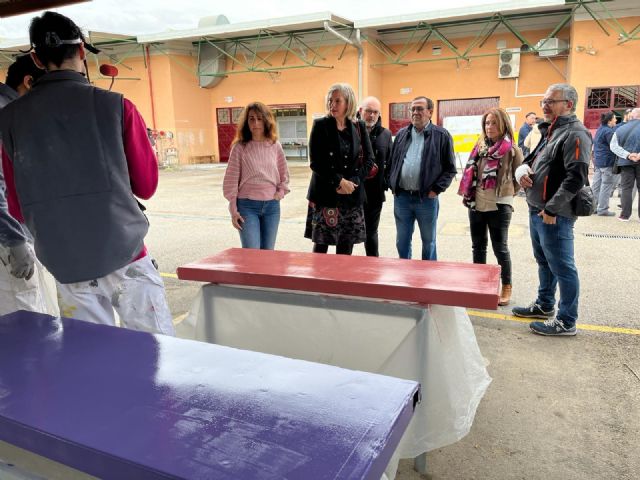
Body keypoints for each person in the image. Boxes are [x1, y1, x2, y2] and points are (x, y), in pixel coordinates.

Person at [0, 11, 174, 335]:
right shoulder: (117, 106)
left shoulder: (9, 120)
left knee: (91, 364)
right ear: (81, 51)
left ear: (36, 59)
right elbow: (146, 186)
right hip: (128, 256)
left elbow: (16, 208)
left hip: (67, 265)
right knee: (159, 357)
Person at [513, 83, 591, 336]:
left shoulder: (576, 134)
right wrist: (523, 173)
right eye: (543, 102)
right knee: (544, 261)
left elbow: (575, 177)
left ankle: (566, 320)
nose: (544, 106)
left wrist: (552, 210)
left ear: (568, 104)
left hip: (554, 214)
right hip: (538, 208)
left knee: (562, 266)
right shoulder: (551, 131)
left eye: (551, 102)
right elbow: (532, 160)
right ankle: (544, 304)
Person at [0, 54, 56, 316]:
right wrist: (15, 240)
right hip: (8, 241)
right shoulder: (6, 115)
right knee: (25, 316)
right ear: (28, 82)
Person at [458, 108, 523, 306]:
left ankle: (506, 286)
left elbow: (519, 177)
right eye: (487, 123)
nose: (489, 127)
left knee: (500, 248)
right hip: (477, 202)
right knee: (478, 246)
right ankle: (479, 286)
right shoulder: (479, 147)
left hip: (499, 204)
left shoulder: (511, 149)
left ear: (503, 124)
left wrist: (506, 193)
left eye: (494, 123)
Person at [304, 83, 374, 255]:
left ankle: (341, 280)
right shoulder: (320, 125)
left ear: (348, 103)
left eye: (337, 101)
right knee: (321, 246)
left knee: (346, 246)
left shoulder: (359, 127)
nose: (332, 105)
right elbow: (316, 162)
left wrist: (353, 183)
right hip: (326, 195)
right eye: (330, 100)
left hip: (351, 196)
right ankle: (319, 281)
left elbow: (369, 160)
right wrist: (339, 182)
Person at [387, 96, 456, 260]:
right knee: (401, 241)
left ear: (430, 112)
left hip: (426, 199)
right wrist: (392, 184)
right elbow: (392, 163)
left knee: (428, 242)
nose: (415, 112)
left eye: (420, 109)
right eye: (413, 109)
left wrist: (436, 189)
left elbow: (450, 168)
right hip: (402, 198)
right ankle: (406, 274)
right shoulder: (402, 134)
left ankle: (428, 278)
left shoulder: (442, 136)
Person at [222, 102, 290, 249]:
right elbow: (231, 180)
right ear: (246, 122)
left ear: (266, 120)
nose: (255, 123)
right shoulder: (240, 147)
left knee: (267, 254)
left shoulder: (274, 145)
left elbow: (284, 173)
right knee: (251, 255)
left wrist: (280, 192)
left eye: (259, 118)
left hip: (272, 206)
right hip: (247, 207)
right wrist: (233, 210)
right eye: (251, 119)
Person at [358, 96, 392, 257]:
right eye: (368, 111)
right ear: (360, 111)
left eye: (375, 112)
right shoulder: (349, 130)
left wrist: (384, 182)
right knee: (348, 233)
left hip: (375, 194)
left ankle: (373, 265)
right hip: (352, 191)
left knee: (371, 233)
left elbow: (391, 162)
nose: (371, 115)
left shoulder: (386, 134)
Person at [609, 107, 640, 222]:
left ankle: (625, 215)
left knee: (626, 188)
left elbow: (613, 146)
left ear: (631, 116)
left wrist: (628, 155)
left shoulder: (620, 129)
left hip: (626, 162)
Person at [591, 111, 618, 216]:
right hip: (607, 162)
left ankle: (593, 207)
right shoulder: (608, 132)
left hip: (598, 161)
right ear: (609, 120)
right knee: (606, 185)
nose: (616, 120)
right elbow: (614, 146)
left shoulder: (600, 129)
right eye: (615, 118)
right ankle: (603, 209)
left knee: (596, 186)